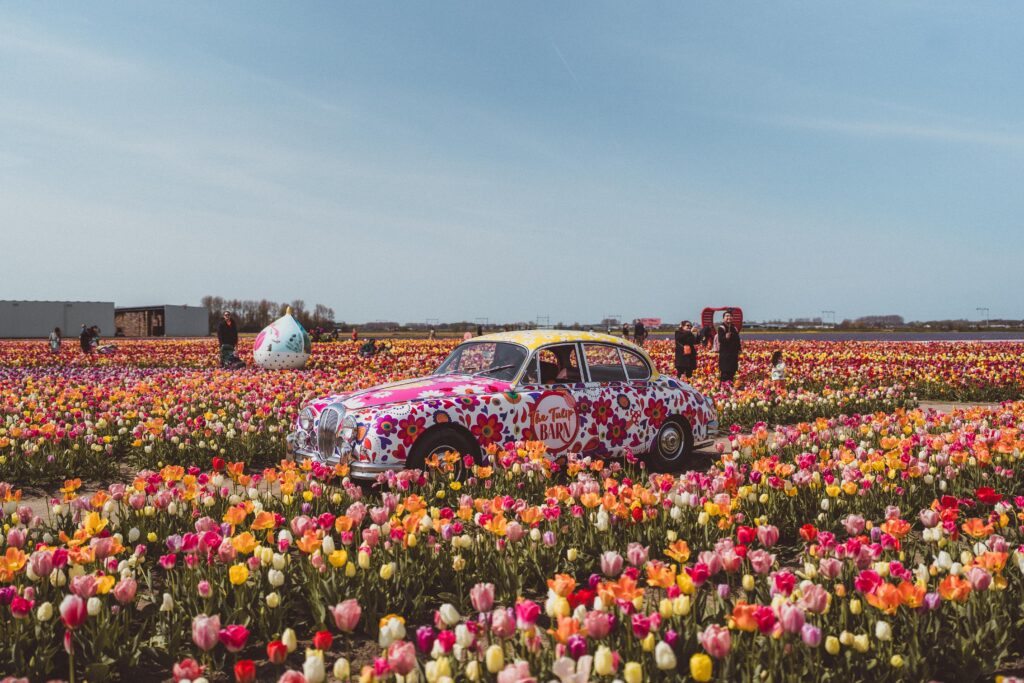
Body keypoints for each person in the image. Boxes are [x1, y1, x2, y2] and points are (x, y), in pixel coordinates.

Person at [717, 310, 742, 384]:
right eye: (727, 316)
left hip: (733, 354)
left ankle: (729, 387)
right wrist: (726, 337)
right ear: (723, 318)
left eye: (730, 316)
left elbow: (737, 340)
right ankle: (723, 387)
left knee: (732, 371)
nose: (729, 317)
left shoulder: (734, 328)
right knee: (725, 372)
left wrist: (739, 349)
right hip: (725, 354)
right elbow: (720, 340)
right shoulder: (721, 328)